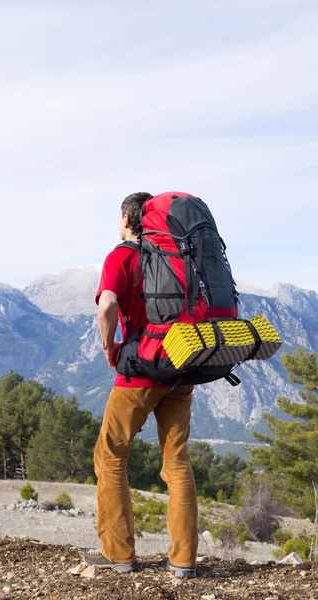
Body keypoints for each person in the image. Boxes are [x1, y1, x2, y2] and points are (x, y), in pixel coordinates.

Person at [84, 192, 198, 578]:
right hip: (183, 367)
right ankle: (183, 561)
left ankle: (119, 553)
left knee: (110, 455)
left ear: (127, 220)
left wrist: (107, 346)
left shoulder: (123, 255)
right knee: (178, 462)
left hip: (141, 371)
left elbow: (108, 305)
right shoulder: (178, 257)